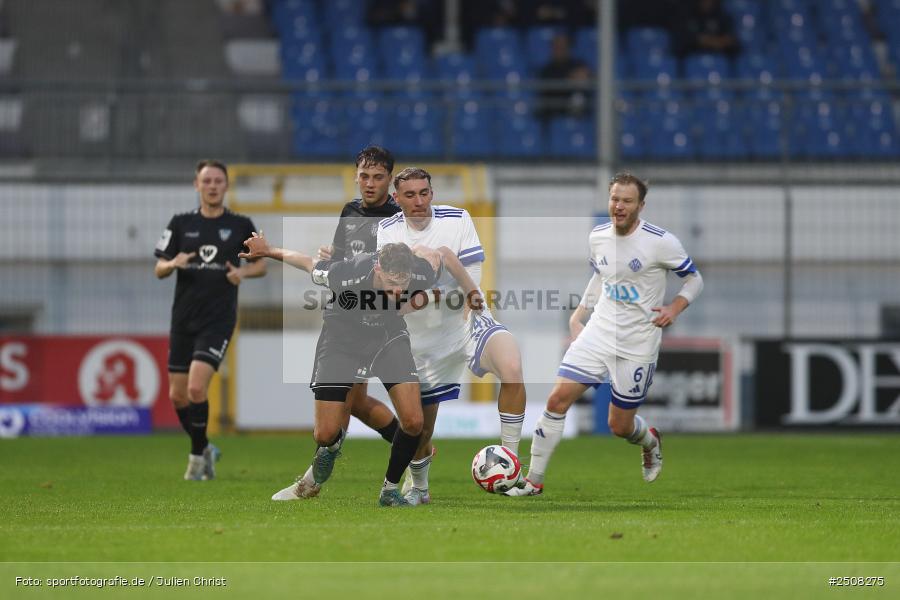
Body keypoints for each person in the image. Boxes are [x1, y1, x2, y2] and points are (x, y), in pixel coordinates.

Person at [242, 232, 481, 506]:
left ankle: (390, 490)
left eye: (402, 285)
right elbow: (308, 262)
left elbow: (441, 255)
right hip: (341, 342)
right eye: (391, 283)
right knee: (325, 434)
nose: (397, 292)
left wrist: (470, 291)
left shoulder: (418, 273)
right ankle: (330, 449)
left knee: (414, 422)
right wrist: (268, 250)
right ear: (378, 268)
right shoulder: (347, 273)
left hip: (387, 338)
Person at [507, 172, 704, 496]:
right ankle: (534, 480)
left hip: (638, 343)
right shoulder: (598, 236)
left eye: (627, 200)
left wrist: (674, 308)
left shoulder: (660, 242)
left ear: (640, 205)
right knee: (557, 399)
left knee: (619, 426)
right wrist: (579, 313)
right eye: (615, 199)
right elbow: (601, 275)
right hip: (598, 332)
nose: (619, 206)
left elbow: (694, 280)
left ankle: (650, 440)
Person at [378, 167, 527, 506]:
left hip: (468, 322)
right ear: (396, 198)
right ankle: (419, 486)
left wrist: (458, 291)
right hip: (424, 338)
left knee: (512, 367)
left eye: (425, 193)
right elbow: (398, 301)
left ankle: (511, 467)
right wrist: (439, 292)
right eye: (410, 195)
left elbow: (472, 284)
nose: (419, 201)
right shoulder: (387, 231)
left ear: (432, 192)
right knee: (420, 428)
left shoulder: (458, 218)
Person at [154, 160, 267, 481]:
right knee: (177, 396)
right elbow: (159, 269)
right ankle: (205, 447)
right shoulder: (180, 223)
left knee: (194, 387)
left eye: (218, 181)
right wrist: (173, 262)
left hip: (217, 320)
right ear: (196, 185)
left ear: (226, 186)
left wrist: (242, 273)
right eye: (207, 181)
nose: (213, 186)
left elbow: (261, 265)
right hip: (183, 319)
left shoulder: (242, 224)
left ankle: (195, 461)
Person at [536, 34, 592, 122]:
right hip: (554, 111)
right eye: (557, 46)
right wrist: (570, 79)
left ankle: (580, 121)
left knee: (579, 95)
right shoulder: (547, 69)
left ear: (568, 47)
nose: (559, 49)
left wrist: (582, 77)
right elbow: (549, 89)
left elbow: (589, 76)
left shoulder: (577, 64)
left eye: (562, 46)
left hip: (575, 106)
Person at [673, 0, 739, 58]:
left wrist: (717, 41)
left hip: (718, 56)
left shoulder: (722, 15)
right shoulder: (688, 14)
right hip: (693, 56)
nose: (707, 1)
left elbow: (731, 40)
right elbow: (681, 41)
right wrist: (704, 41)